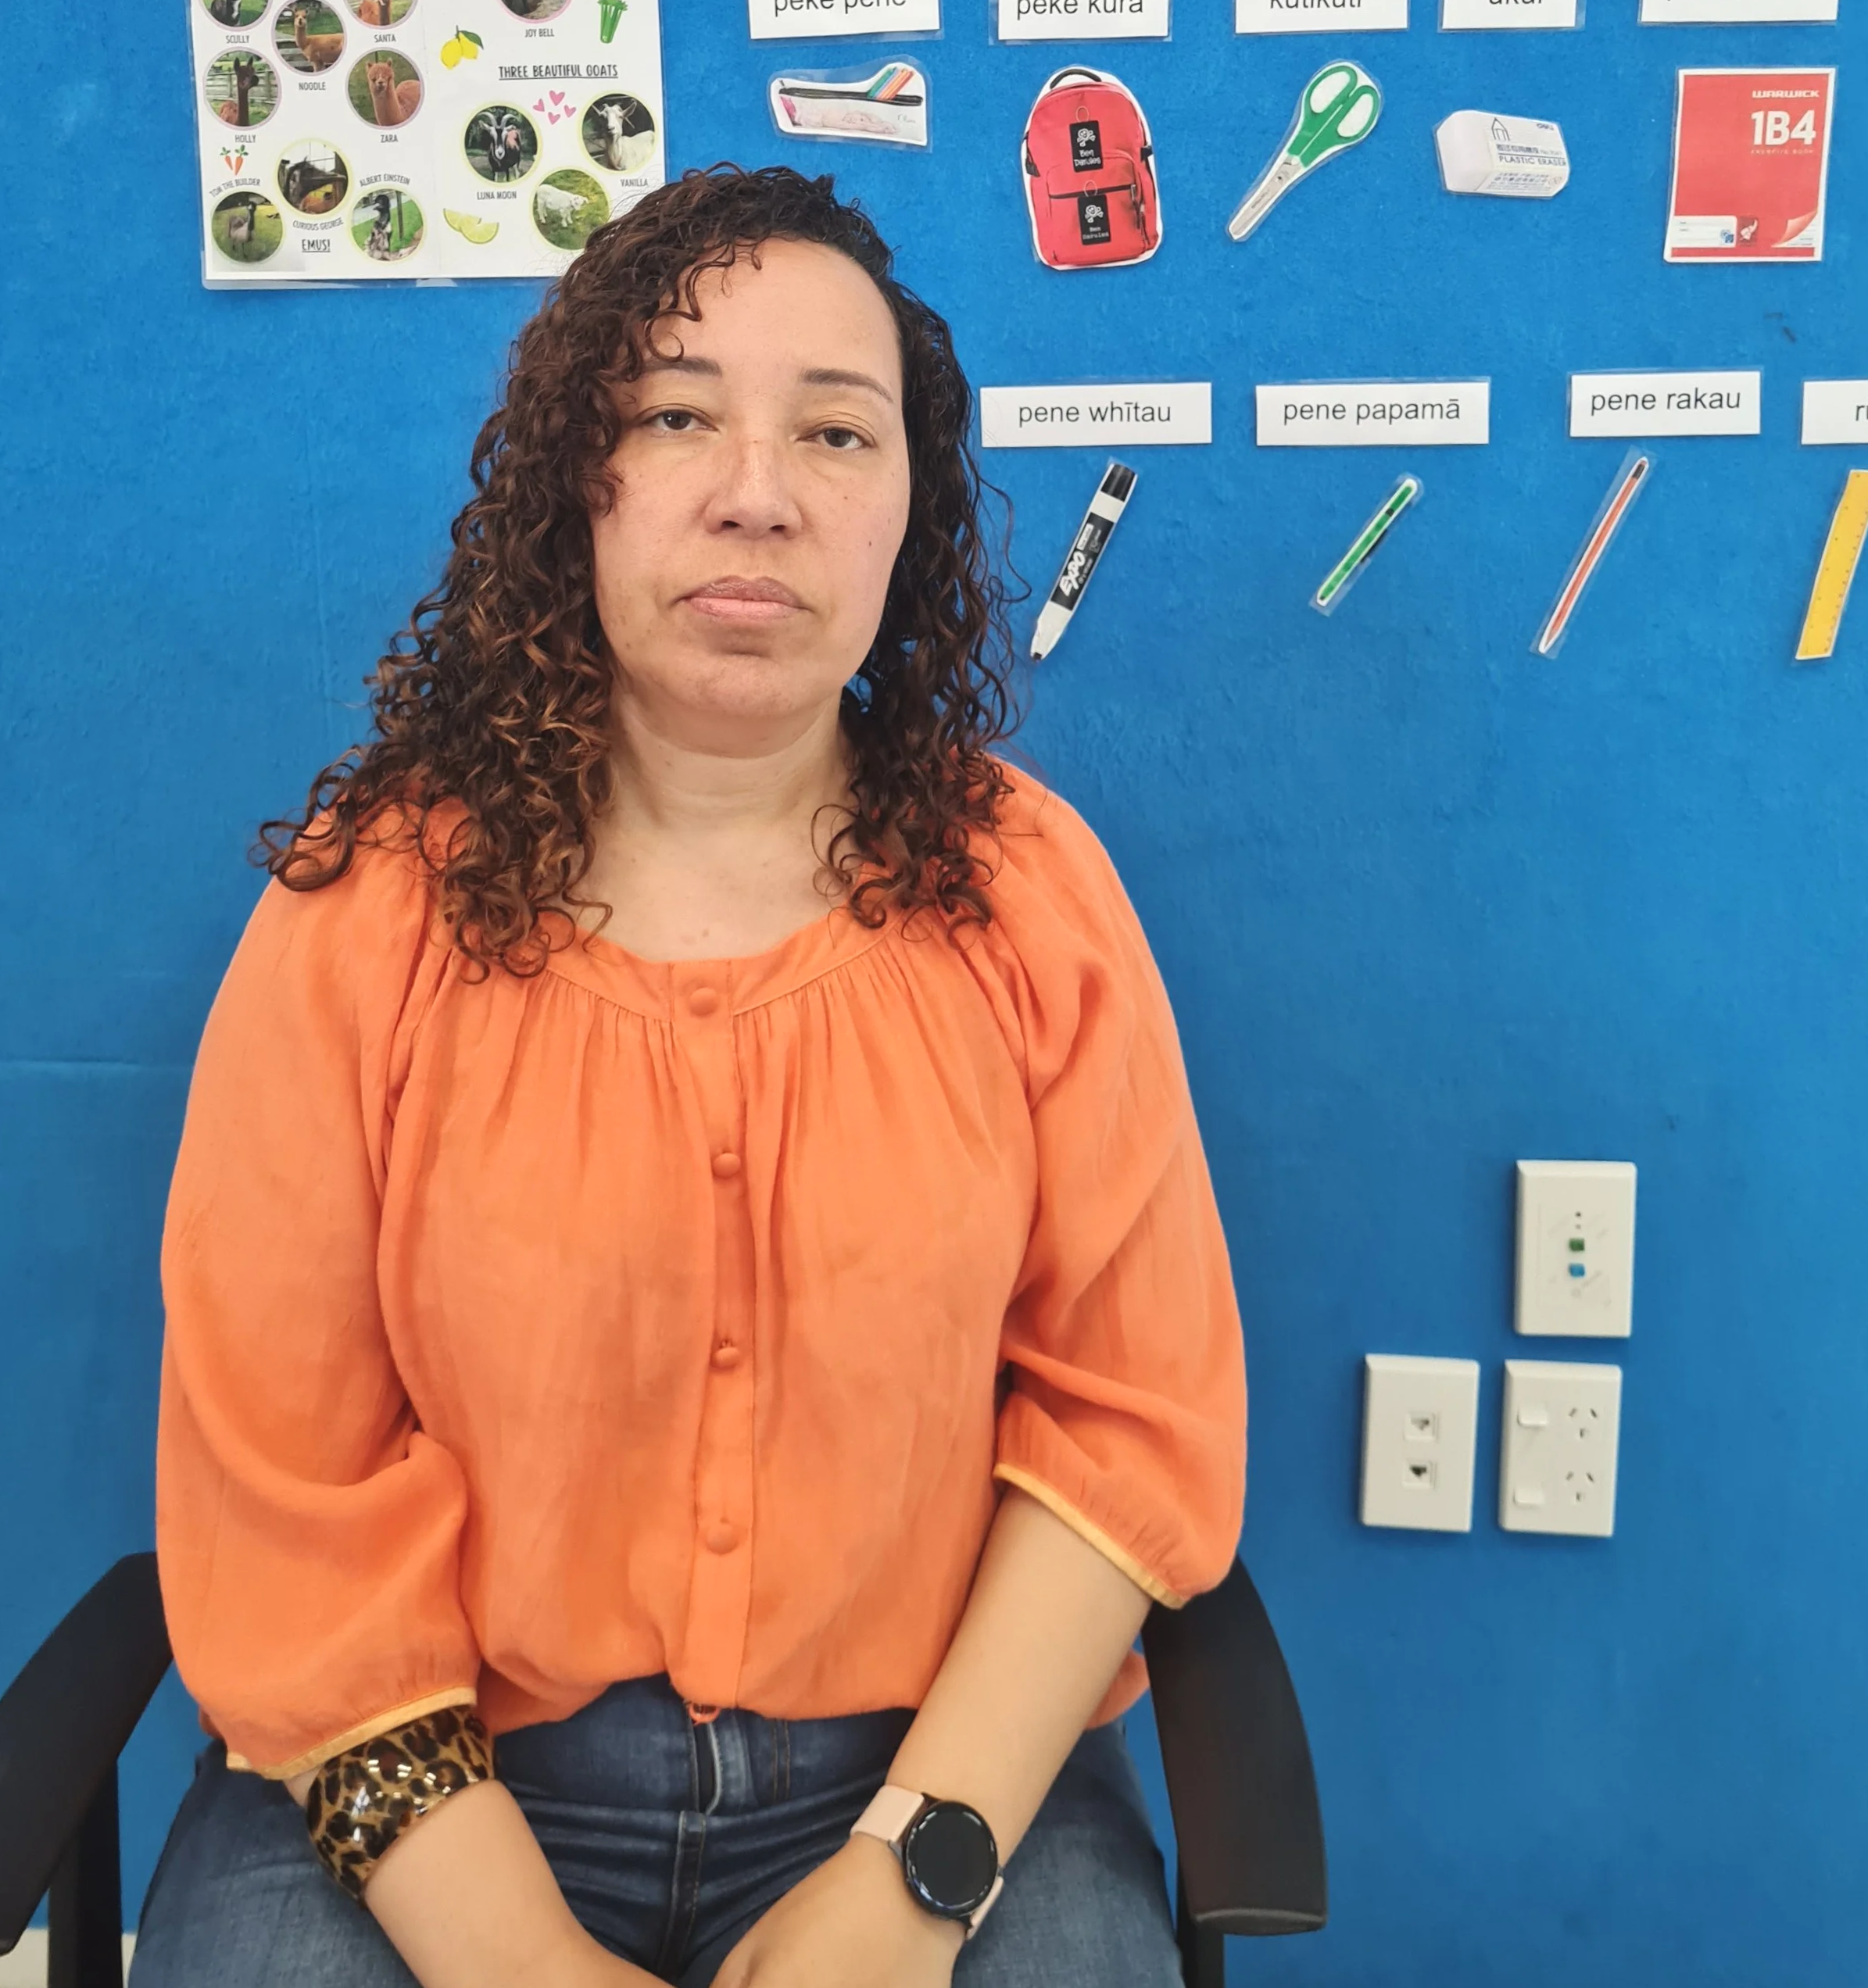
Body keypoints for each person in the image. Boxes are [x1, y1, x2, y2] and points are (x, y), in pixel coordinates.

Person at [133, 166, 1247, 1988]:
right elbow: (282, 1486)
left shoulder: (1029, 896)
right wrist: (509, 1952)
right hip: (424, 1772)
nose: (755, 490)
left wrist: (913, 1878)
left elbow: (1128, 1430)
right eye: (674, 416)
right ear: (578, 481)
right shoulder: (365, 907)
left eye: (836, 430)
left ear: (911, 507)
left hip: (922, 1773)